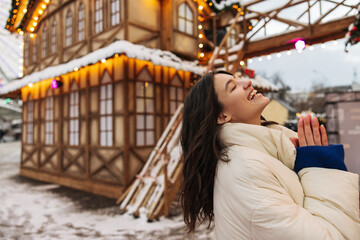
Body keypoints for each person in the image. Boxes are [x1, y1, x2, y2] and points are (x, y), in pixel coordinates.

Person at [180, 71, 360, 240]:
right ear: (222, 115)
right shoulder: (246, 171)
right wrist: (319, 167)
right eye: (233, 87)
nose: (247, 82)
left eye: (238, 78)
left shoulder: (266, 151)